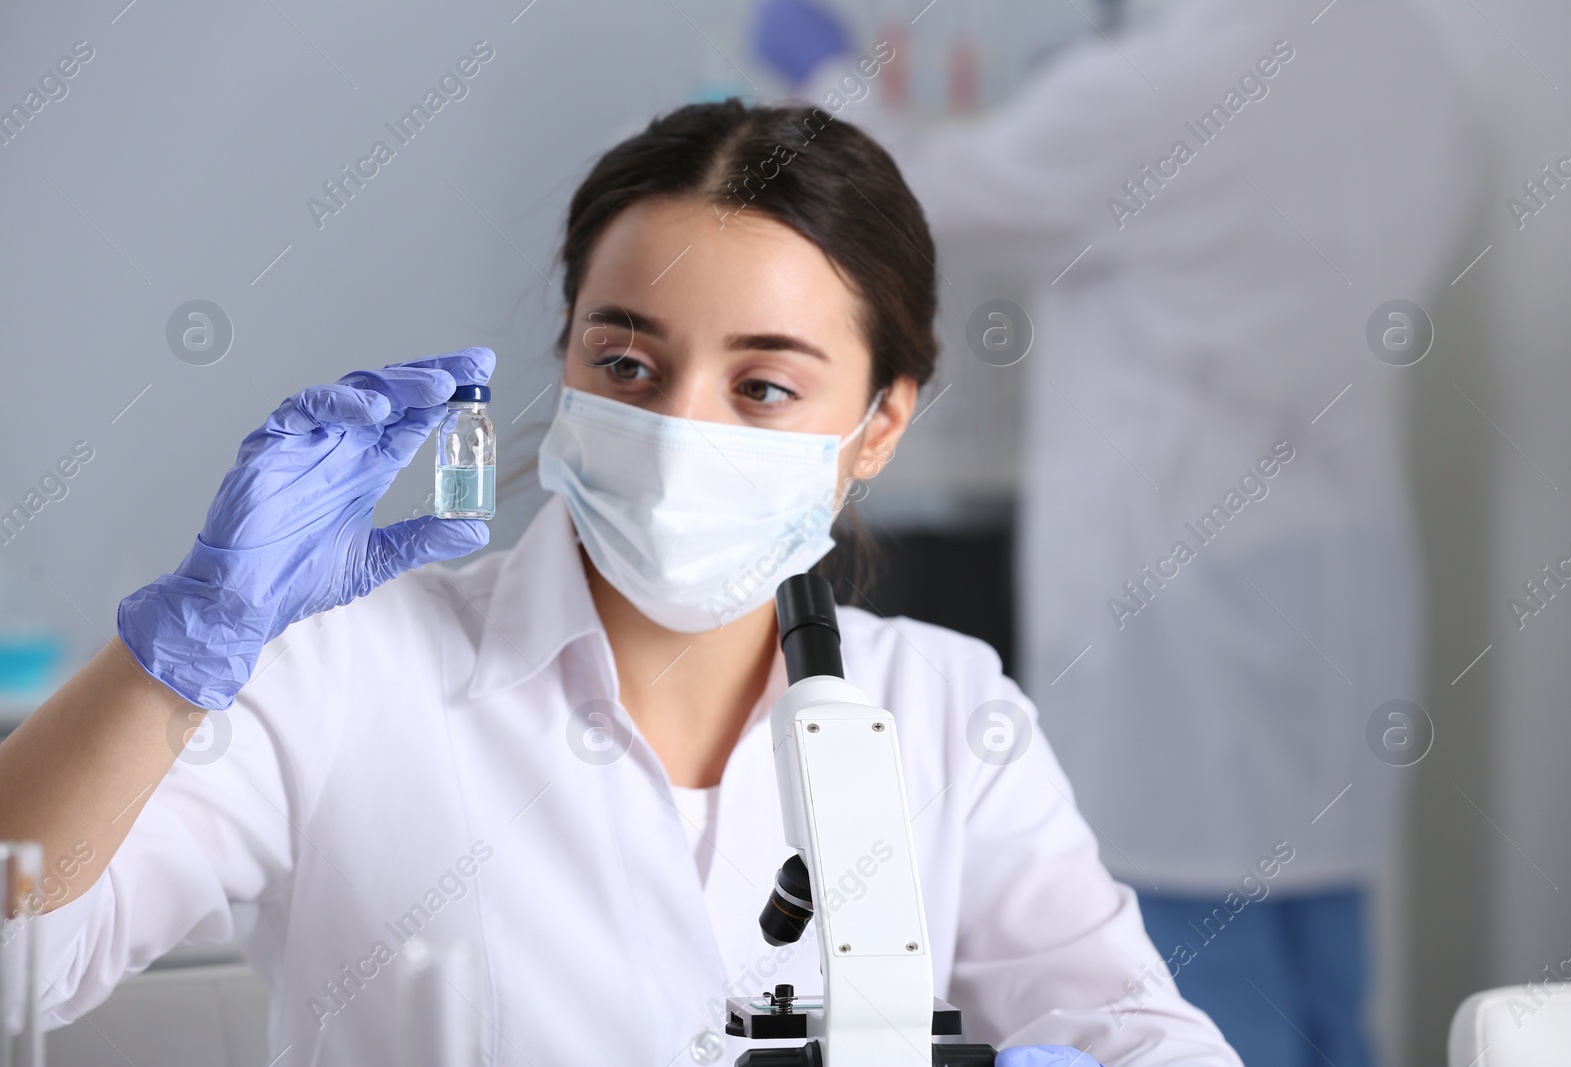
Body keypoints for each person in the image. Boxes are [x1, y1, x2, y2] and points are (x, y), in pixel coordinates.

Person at [0, 102, 1241, 1067]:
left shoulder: (942, 708)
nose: (680, 423)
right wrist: (179, 658)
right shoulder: (341, 665)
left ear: (875, 427)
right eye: (630, 362)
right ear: (566, 361)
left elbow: (1147, 1032)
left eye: (762, 385)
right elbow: (19, 957)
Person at [754, 0, 1480, 1063]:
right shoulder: (1405, 57)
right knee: (1328, 990)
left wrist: (830, 75)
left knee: (1192, 990)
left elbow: (921, 187)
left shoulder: (1169, 84)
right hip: (1338, 579)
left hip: (1184, 597)